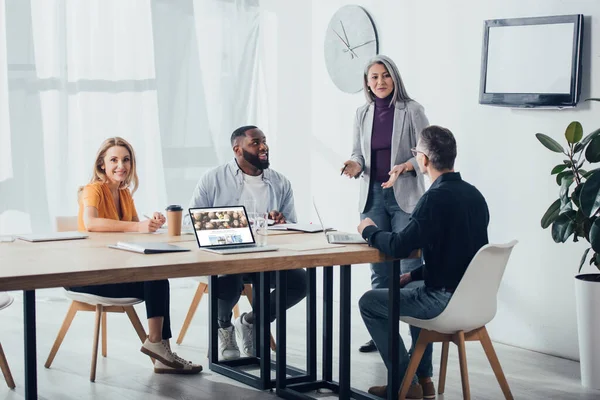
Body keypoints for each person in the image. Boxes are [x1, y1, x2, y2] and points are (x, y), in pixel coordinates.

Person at [357, 126, 490, 399]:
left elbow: (398, 245)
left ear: (424, 160)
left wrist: (368, 230)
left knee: (369, 302)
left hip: (443, 302)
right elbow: (463, 255)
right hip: (475, 302)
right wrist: (414, 274)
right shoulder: (475, 195)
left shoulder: (433, 198)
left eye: (416, 152)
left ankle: (405, 381)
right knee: (410, 289)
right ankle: (422, 380)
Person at [70, 137, 202, 375]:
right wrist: (138, 227)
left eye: (126, 159)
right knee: (156, 280)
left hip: (113, 270)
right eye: (114, 160)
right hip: (87, 276)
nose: (121, 165)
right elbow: (91, 223)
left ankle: (161, 352)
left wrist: (151, 224)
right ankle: (158, 348)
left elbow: (132, 232)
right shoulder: (93, 190)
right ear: (102, 164)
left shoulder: (125, 194)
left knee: (158, 278)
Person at [188, 125, 307, 360]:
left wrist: (280, 222)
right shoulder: (213, 178)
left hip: (266, 258)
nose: (263, 147)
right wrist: (229, 224)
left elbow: (292, 225)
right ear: (238, 149)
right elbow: (189, 220)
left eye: (264, 141)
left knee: (301, 282)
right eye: (255, 142)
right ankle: (224, 326)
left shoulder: (281, 182)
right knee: (228, 280)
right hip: (227, 258)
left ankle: (251, 321)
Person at [341, 55, 429, 354]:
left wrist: (405, 166)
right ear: (367, 82)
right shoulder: (362, 112)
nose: (380, 82)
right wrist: (354, 164)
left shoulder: (412, 110)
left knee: (409, 264)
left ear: (395, 78)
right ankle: (384, 334)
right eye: (374, 77)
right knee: (379, 268)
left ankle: (420, 336)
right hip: (373, 196)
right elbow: (358, 154)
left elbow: (426, 153)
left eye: (385, 76)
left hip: (404, 195)